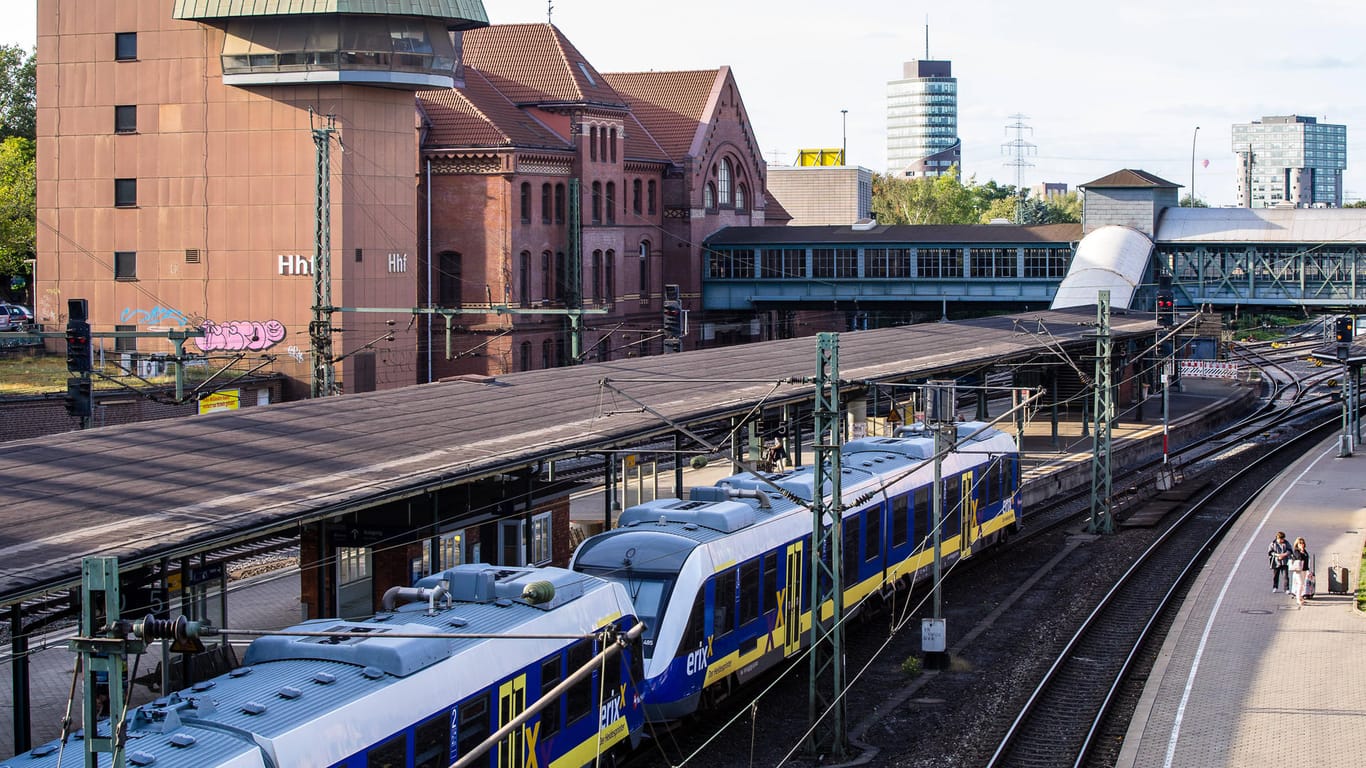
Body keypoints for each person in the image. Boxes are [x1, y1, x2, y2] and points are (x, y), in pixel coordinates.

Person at [1288, 536, 1312, 608]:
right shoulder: (1296, 551)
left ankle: (1301, 597)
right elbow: (1299, 558)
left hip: (1304, 570)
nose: (1302, 544)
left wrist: (1308, 571)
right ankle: (1298, 598)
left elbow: (1307, 560)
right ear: (1297, 544)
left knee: (1303, 584)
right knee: (1300, 584)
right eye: (1300, 543)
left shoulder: (1304, 551)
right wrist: (1301, 551)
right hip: (1298, 570)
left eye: (1303, 543)